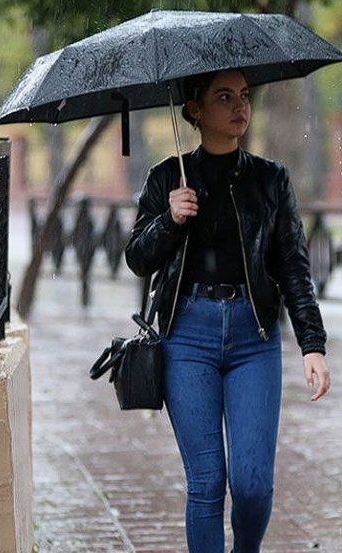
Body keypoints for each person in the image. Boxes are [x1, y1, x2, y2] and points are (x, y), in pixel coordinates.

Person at [125, 69, 330, 553]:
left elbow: (293, 266)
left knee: (253, 484)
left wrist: (312, 344)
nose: (240, 106)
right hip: (186, 336)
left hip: (252, 337)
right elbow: (137, 259)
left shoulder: (270, 179)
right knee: (207, 482)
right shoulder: (166, 178)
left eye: (243, 95)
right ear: (194, 110)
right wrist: (170, 219)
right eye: (223, 97)